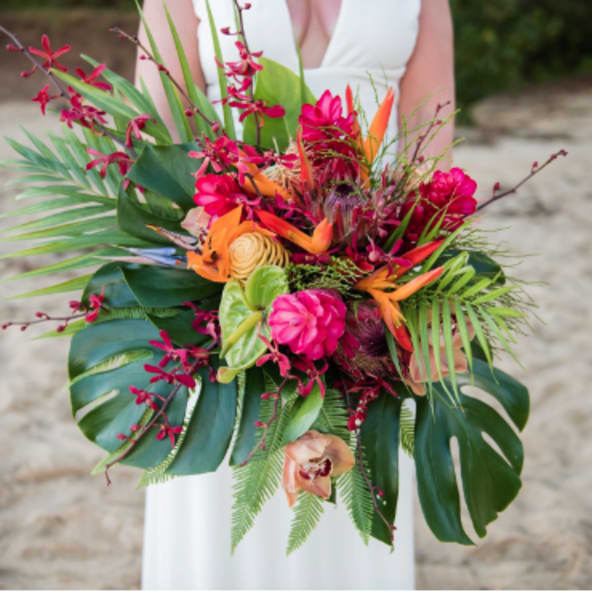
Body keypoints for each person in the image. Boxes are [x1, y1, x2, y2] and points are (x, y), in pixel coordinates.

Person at [137, 0, 455, 590]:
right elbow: (159, 140)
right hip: (228, 299)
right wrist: (230, 261)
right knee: (222, 515)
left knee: (351, 512)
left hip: (372, 303)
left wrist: (409, 290)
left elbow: (431, 151)